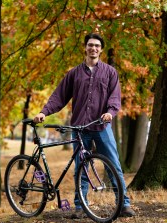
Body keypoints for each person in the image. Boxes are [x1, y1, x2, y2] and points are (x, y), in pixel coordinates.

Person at [33, 33, 135, 218]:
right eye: (90, 45)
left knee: (113, 165)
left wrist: (110, 113)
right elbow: (59, 96)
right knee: (81, 168)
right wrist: (44, 112)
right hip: (80, 129)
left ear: (101, 49)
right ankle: (80, 207)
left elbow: (114, 98)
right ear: (85, 47)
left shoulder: (110, 72)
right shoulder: (74, 73)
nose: (93, 48)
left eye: (97, 45)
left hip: (101, 127)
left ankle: (124, 204)